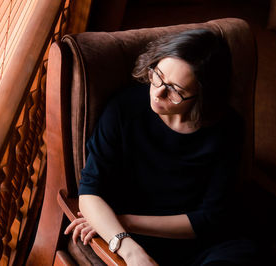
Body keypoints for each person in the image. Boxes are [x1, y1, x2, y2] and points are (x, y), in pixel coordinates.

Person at [64, 28, 260, 265]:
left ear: (202, 96)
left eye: (176, 90)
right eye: (157, 75)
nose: (158, 92)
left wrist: (121, 220)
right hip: (141, 240)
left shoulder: (227, 127)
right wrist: (129, 248)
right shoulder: (123, 109)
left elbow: (209, 219)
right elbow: (90, 193)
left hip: (211, 243)